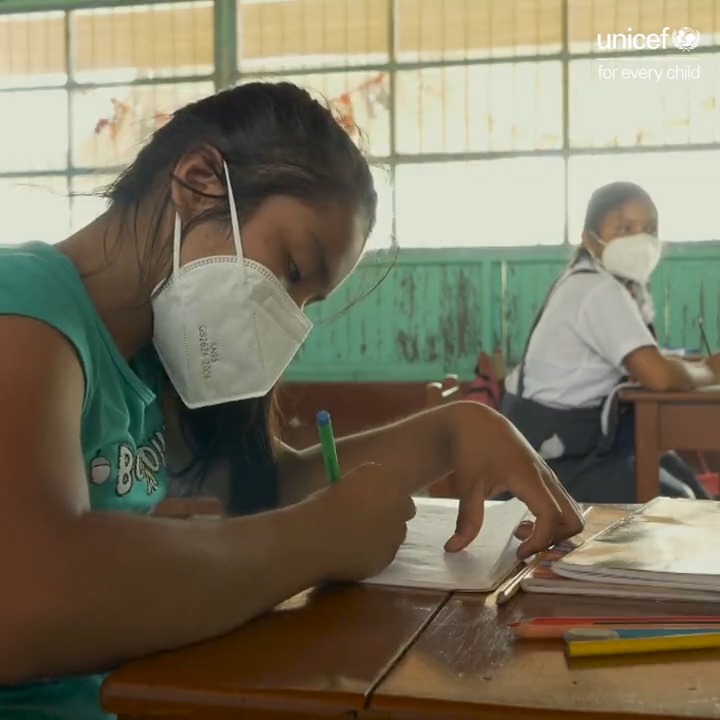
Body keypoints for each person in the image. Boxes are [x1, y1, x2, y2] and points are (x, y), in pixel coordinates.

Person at [0, 82, 584, 720]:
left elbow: (257, 492)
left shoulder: (153, 352)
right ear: (198, 182)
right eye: (293, 269)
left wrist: (451, 432)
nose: (286, 315)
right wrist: (320, 539)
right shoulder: (22, 308)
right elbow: (23, 599)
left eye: (306, 302)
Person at [502, 181, 720, 503]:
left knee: (685, 480)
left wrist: (696, 367)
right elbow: (658, 376)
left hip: (573, 442)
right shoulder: (596, 290)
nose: (640, 240)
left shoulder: (602, 283)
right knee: (679, 502)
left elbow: (649, 361)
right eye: (624, 228)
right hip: (548, 461)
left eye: (649, 229)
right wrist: (710, 370)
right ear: (589, 238)